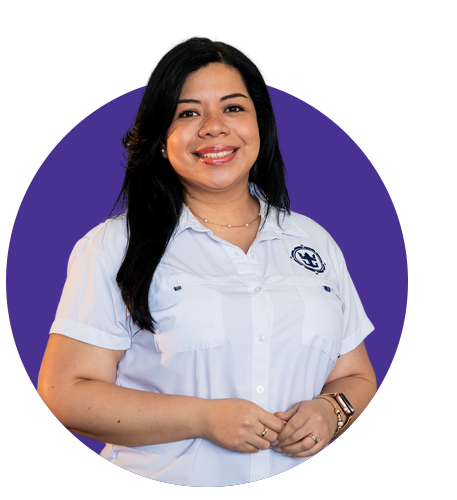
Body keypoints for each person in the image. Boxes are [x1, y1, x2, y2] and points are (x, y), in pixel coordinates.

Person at [38, 35, 377, 487]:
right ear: (161, 140)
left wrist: (331, 411)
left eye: (233, 108)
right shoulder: (113, 247)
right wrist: (203, 418)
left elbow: (356, 376)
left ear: (259, 126)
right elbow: (65, 393)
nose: (214, 127)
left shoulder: (313, 241)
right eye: (188, 113)